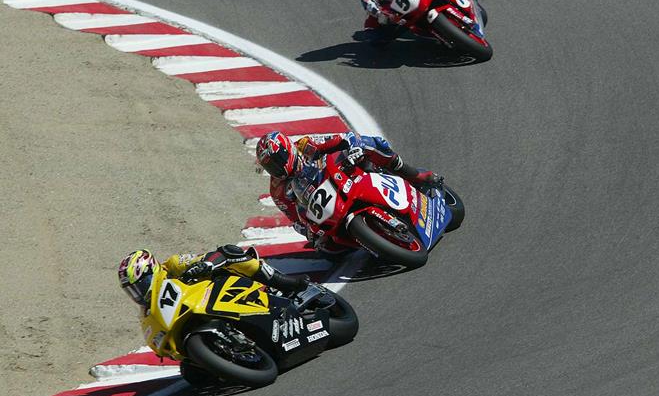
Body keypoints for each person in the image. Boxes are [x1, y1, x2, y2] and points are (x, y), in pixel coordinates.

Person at [256, 131, 442, 253]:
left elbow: (343, 138)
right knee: (325, 248)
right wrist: (308, 232)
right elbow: (295, 219)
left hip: (344, 173)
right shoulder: (277, 190)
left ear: (287, 150)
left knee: (373, 144)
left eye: (277, 160)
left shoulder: (305, 144)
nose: (276, 168)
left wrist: (353, 148)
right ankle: (370, 239)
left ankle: (415, 175)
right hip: (328, 206)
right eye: (270, 167)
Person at [117, 246, 309, 309]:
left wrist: (204, 265)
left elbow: (206, 257)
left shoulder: (173, 265)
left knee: (229, 252)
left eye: (141, 285)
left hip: (224, 287)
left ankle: (283, 282)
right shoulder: (152, 308)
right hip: (206, 308)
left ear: (152, 270)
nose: (139, 293)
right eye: (132, 291)